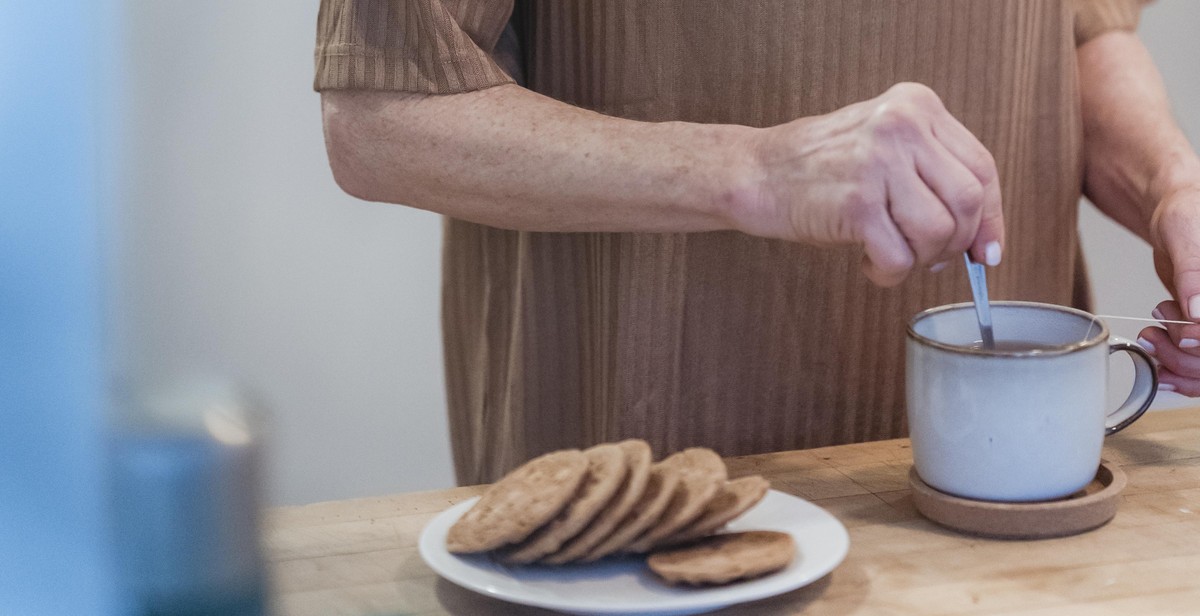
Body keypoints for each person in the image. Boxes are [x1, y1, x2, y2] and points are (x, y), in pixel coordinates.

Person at [314, 0, 1200, 485]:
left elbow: (1079, 29)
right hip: (645, 505)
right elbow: (378, 119)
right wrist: (757, 170)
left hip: (1009, 536)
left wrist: (1171, 186)